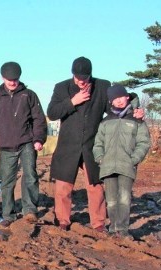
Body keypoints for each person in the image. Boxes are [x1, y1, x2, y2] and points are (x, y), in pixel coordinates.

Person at [46, 56, 144, 232]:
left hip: (93, 144)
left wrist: (135, 110)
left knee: (96, 186)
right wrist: (72, 102)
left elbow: (120, 103)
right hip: (68, 145)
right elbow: (52, 112)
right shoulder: (62, 88)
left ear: (90, 75)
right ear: (73, 75)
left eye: (84, 79)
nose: (81, 82)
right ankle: (63, 220)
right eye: (78, 78)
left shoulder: (103, 86)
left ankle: (98, 223)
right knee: (63, 186)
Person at [0, 61, 47, 229]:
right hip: (5, 146)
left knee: (30, 176)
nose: (13, 82)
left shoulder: (29, 95)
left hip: (27, 143)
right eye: (9, 79)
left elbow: (39, 119)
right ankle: (8, 215)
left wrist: (38, 139)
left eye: (15, 79)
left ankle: (30, 210)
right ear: (3, 78)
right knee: (7, 181)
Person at [93, 84, 151, 240]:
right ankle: (112, 229)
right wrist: (100, 158)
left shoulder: (136, 120)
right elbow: (98, 143)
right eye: (114, 99)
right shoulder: (106, 121)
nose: (118, 101)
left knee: (124, 198)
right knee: (111, 200)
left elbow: (144, 142)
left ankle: (123, 230)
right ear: (111, 102)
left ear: (127, 97)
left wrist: (134, 159)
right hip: (108, 166)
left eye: (121, 97)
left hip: (127, 166)